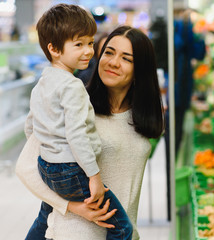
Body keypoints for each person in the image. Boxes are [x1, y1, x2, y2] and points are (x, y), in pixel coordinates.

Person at [16, 24, 164, 240]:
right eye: (109, 53)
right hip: (73, 233)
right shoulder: (73, 105)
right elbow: (26, 168)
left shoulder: (138, 118)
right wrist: (72, 207)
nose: (113, 62)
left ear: (140, 70)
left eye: (127, 58)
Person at [23, 4, 133, 240]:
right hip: (72, 169)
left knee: (45, 214)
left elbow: (30, 126)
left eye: (90, 43)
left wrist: (48, 151)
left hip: (47, 166)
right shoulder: (72, 86)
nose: (88, 51)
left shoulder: (42, 83)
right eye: (79, 44)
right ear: (53, 48)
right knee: (122, 228)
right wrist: (94, 176)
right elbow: (76, 134)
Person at [163, 7, 206, 220]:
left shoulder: (183, 29)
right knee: (174, 140)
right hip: (176, 94)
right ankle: (173, 201)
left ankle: (174, 197)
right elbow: (189, 49)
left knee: (176, 140)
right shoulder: (176, 29)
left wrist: (196, 30)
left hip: (180, 91)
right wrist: (190, 27)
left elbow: (198, 52)